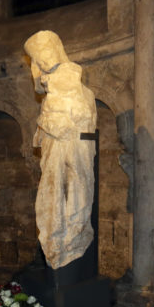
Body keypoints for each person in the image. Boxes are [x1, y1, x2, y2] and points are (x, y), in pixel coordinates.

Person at [24, 30, 97, 269]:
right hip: (55, 153)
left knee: (76, 196)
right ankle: (56, 245)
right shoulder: (52, 91)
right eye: (37, 58)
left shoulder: (74, 85)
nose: (43, 61)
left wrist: (47, 119)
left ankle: (72, 241)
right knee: (51, 198)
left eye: (46, 53)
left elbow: (65, 124)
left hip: (75, 151)